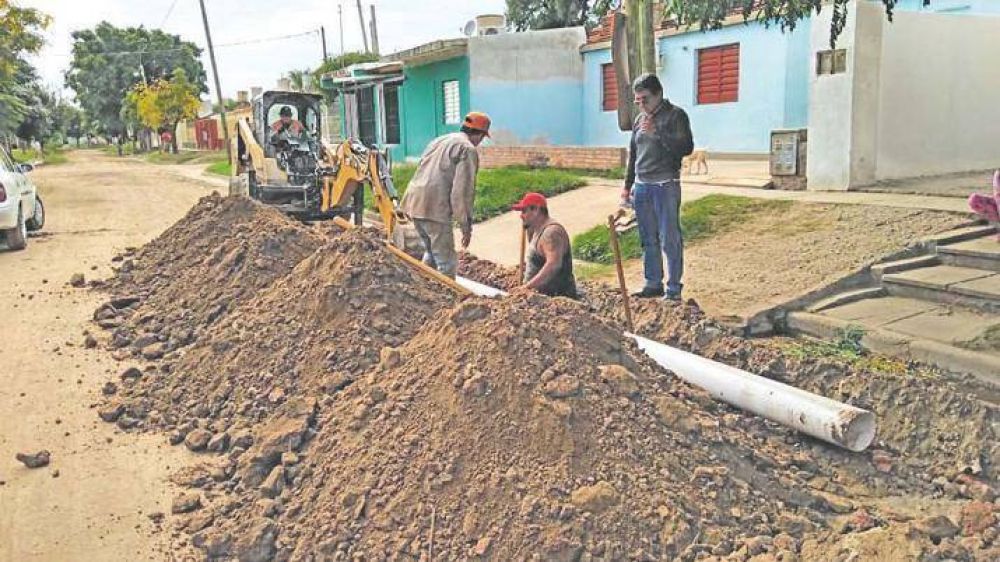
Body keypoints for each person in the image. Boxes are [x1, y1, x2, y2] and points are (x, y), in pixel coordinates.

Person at [621, 73, 694, 301]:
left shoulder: (675, 116)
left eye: (645, 99)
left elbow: (686, 148)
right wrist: (627, 185)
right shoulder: (638, 121)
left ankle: (673, 288)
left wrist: (659, 133)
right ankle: (653, 283)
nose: (641, 105)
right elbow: (634, 155)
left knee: (669, 237)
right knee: (647, 237)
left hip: (665, 184)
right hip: (642, 186)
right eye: (637, 101)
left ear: (658, 94)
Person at [400, 112, 491, 278]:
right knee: (446, 263)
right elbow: (462, 191)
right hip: (435, 207)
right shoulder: (467, 149)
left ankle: (423, 292)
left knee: (431, 253)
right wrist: (465, 225)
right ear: (480, 135)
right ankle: (448, 302)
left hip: (414, 202)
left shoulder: (441, 140)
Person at [513, 192, 578, 299]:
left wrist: (526, 288)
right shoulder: (536, 229)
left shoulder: (551, 233)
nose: (521, 215)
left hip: (556, 300)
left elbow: (554, 265)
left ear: (536, 210)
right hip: (540, 298)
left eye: (524, 211)